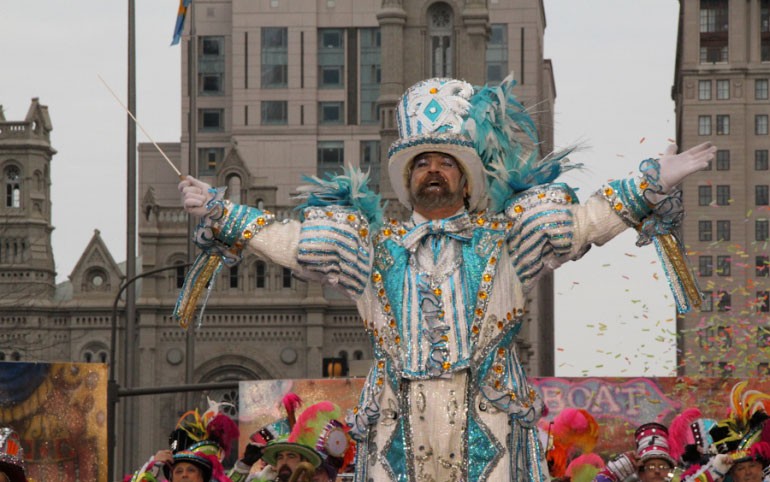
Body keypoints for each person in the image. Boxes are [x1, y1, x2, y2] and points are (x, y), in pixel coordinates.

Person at [178, 75, 715, 481]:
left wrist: (648, 187)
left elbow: (581, 224)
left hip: (491, 428)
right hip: (396, 426)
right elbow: (294, 244)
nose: (433, 169)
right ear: (408, 180)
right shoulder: (372, 250)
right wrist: (223, 214)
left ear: (464, 178)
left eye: (445, 161)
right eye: (421, 163)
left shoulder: (503, 242)